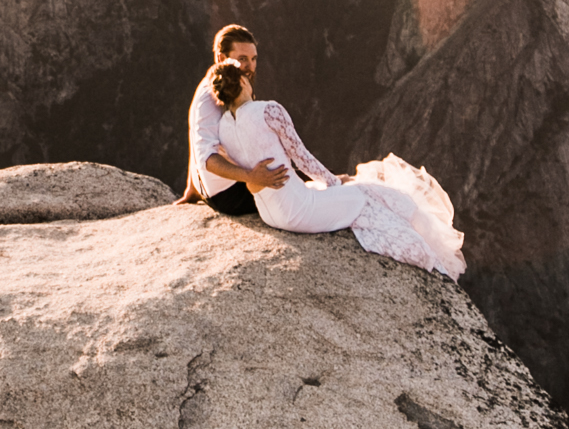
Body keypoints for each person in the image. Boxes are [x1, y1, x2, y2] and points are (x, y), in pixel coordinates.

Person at [201, 56, 466, 278]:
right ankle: (435, 265)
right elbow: (301, 157)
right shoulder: (268, 110)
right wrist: (333, 181)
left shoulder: (223, 127)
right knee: (366, 195)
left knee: (357, 190)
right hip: (299, 209)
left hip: (271, 213)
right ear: (243, 82)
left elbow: (237, 166)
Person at [181, 24, 279, 215]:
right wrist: (251, 176)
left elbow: (197, 138)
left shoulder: (228, 83)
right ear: (221, 58)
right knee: (306, 188)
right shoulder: (209, 98)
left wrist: (193, 189)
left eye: (253, 59)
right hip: (229, 195)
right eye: (242, 59)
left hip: (228, 187)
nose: (250, 67)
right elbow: (207, 158)